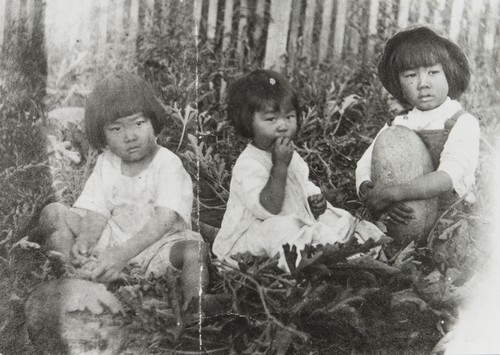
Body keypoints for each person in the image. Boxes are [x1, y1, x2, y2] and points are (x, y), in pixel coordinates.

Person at [38, 73, 208, 305]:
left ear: (153, 122)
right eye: (116, 129)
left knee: (194, 250)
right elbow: (96, 209)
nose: (130, 136)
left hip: (157, 247)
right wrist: (86, 240)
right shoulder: (107, 162)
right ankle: (76, 275)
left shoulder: (167, 163)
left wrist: (123, 254)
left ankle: (195, 303)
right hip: (112, 242)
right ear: (102, 135)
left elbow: (165, 220)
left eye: (138, 123)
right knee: (54, 212)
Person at [212, 70, 384, 271]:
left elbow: (303, 183)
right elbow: (268, 209)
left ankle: (345, 251)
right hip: (250, 240)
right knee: (283, 229)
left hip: (295, 222)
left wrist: (315, 200)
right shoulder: (249, 164)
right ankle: (320, 261)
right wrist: (279, 166)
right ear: (247, 122)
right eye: (270, 119)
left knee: (338, 217)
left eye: (289, 116)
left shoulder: (290, 154)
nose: (283, 126)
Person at [356, 26, 479, 229]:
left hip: (450, 220)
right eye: (411, 75)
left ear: (449, 73)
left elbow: (448, 176)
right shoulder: (398, 124)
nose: (423, 83)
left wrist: (394, 193)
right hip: (402, 217)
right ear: (399, 83)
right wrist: (373, 193)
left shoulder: (462, 122)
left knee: (445, 251)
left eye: (433, 72)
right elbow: (364, 167)